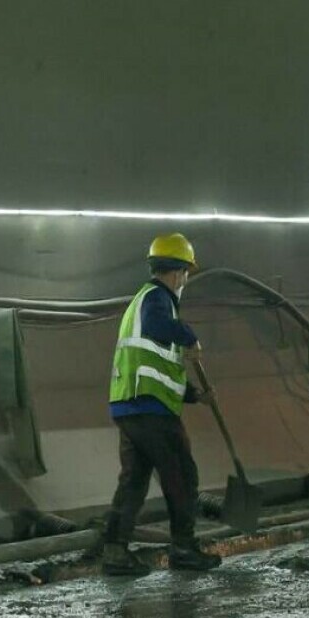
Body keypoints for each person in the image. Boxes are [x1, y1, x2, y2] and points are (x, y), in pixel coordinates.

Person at [101, 233, 221, 575]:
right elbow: (160, 328)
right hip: (150, 407)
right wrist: (189, 336)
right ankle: (183, 549)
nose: (186, 281)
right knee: (182, 474)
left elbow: (159, 368)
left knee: (134, 481)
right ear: (179, 272)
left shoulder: (141, 302)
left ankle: (115, 552)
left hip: (130, 405)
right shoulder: (157, 299)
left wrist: (195, 396)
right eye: (186, 273)